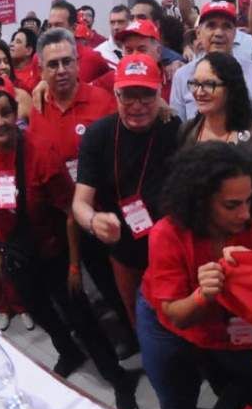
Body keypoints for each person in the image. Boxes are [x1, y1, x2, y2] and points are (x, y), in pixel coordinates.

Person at [0, 74, 138, 409]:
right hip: (15, 255)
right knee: (40, 311)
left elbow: (69, 212)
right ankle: (68, 351)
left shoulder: (40, 153)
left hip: (53, 254)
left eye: (6, 112)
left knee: (81, 318)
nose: (0, 122)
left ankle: (117, 377)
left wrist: (75, 266)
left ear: (16, 111)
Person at [139, 142, 252, 409]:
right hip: (167, 325)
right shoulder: (167, 234)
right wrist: (202, 295)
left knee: (238, 392)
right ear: (200, 200)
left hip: (224, 331)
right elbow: (176, 316)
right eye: (232, 205)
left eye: (248, 201)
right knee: (177, 401)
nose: (245, 213)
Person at [28, 27, 135, 351]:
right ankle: (128, 333)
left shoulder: (102, 102)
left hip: (110, 213)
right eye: (53, 65)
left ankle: (141, 331)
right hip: (71, 219)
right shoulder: (37, 108)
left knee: (126, 281)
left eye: (67, 62)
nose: (61, 71)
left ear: (78, 62)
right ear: (41, 69)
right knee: (101, 280)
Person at [72, 54, 182, 324]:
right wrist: (93, 220)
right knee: (139, 320)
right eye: (128, 96)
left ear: (159, 93)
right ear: (116, 94)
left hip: (171, 250)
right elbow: (80, 203)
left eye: (146, 96)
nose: (137, 106)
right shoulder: (98, 136)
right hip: (123, 252)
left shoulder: (174, 129)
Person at [178, 52, 252, 219]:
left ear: (231, 87)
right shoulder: (186, 131)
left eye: (209, 84)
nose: (199, 92)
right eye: (194, 84)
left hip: (247, 228)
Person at [169, 1, 252, 122]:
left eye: (226, 26)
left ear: (235, 33)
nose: (219, 33)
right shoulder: (182, 76)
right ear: (198, 33)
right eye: (211, 26)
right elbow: (179, 128)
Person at [46, 0, 113, 84]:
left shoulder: (92, 58)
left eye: (58, 25)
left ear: (74, 28)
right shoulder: (39, 58)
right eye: (49, 26)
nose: (52, 30)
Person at [9, 27, 39, 93]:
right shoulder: (6, 70)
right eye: (12, 41)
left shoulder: (37, 72)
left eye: (18, 42)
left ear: (28, 50)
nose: (11, 44)